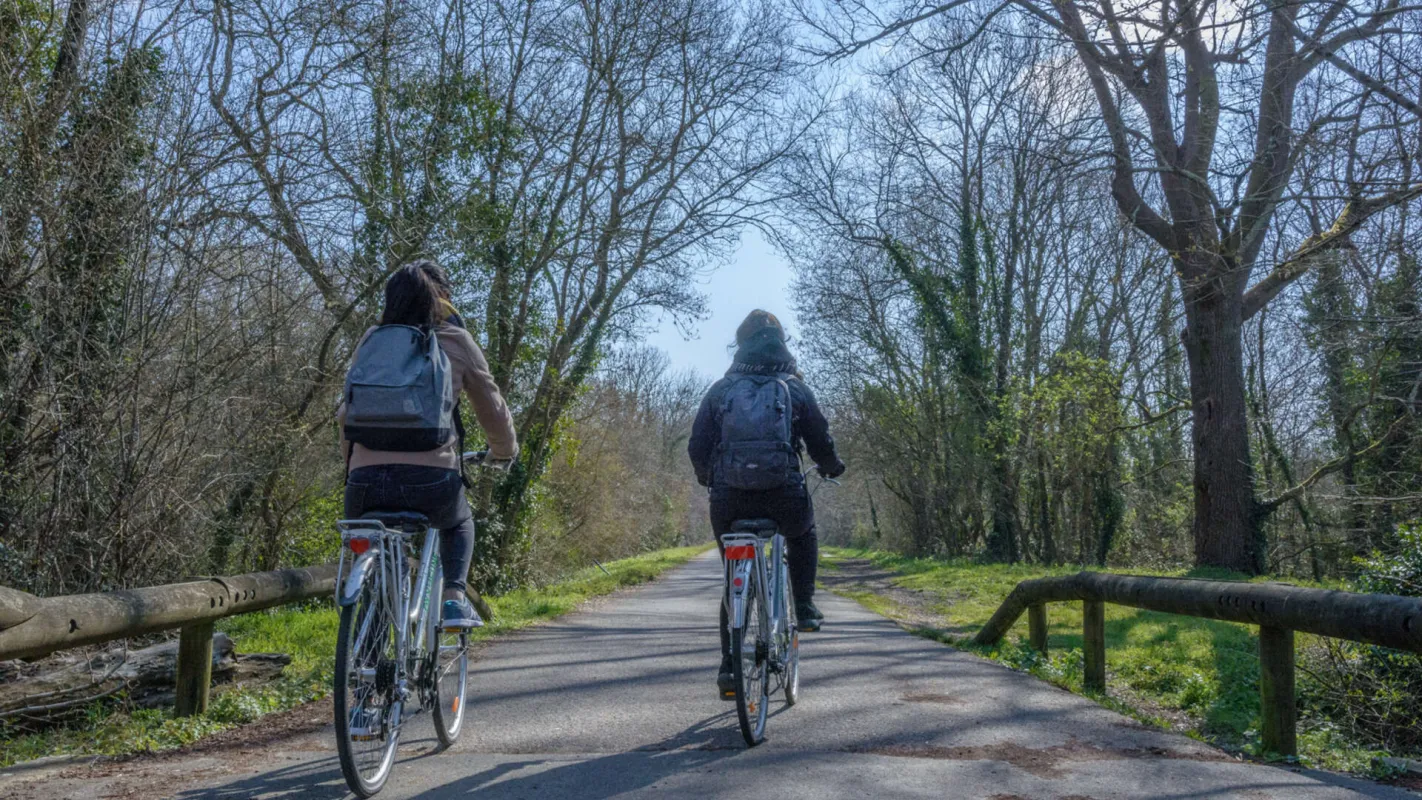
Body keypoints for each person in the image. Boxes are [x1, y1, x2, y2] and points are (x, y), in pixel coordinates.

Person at [338, 260, 518, 629]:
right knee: (459, 522)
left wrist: (354, 465)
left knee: (377, 545)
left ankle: (369, 655)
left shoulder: (372, 341)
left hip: (364, 482)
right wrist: (504, 452)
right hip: (431, 482)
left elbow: (346, 413)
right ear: (443, 299)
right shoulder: (455, 340)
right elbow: (493, 409)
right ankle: (453, 598)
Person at [687, 310, 845, 696]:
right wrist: (830, 467)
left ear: (740, 344)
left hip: (729, 501)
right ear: (782, 343)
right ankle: (805, 606)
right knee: (803, 534)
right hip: (784, 495)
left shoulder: (721, 390)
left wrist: (710, 477)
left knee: (732, 581)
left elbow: (696, 446)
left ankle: (729, 670)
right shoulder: (793, 387)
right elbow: (820, 440)